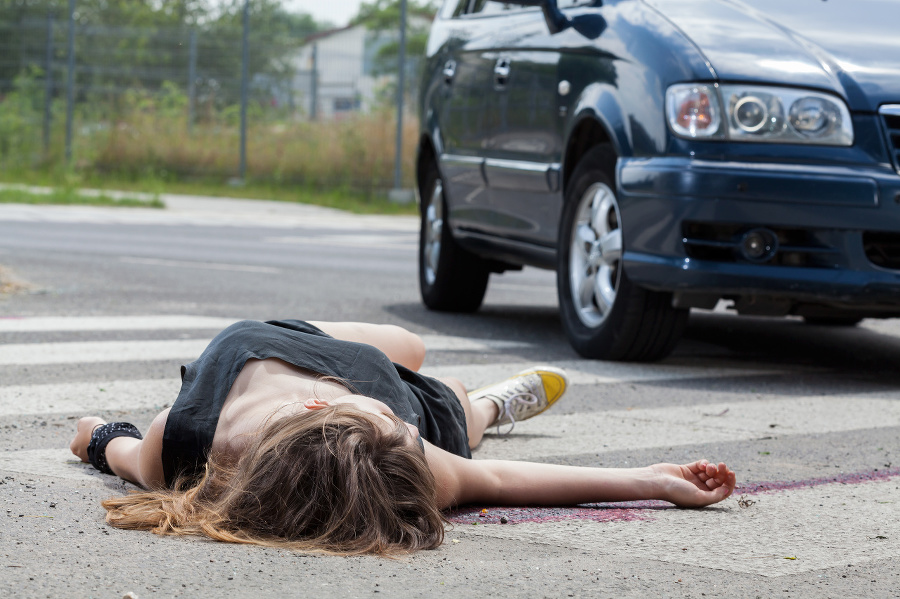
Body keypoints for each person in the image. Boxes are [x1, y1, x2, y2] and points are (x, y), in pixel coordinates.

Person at [70, 319, 736, 555]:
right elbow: (497, 481)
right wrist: (652, 480)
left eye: (387, 423)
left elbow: (117, 452)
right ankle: (485, 407)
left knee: (411, 346)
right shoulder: (393, 452)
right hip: (379, 388)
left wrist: (97, 435)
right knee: (444, 413)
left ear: (315, 406)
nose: (401, 431)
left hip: (280, 342)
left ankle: (455, 401)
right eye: (398, 430)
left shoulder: (179, 440)